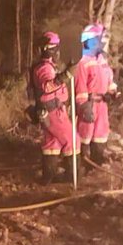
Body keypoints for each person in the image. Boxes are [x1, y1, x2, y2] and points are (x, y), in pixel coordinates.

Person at [29, 32, 78, 183]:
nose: (58, 51)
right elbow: (47, 87)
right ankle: (72, 178)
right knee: (72, 141)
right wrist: (66, 75)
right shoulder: (45, 68)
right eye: (56, 48)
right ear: (50, 49)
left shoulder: (47, 66)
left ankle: (47, 178)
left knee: (52, 144)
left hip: (49, 111)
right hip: (53, 112)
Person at [74, 23, 119, 167]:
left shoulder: (102, 61)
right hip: (89, 104)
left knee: (100, 133)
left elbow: (109, 79)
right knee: (85, 133)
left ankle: (97, 162)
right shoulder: (82, 62)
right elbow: (80, 87)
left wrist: (113, 93)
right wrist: (83, 106)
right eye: (101, 39)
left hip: (102, 105)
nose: (104, 43)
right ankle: (80, 163)